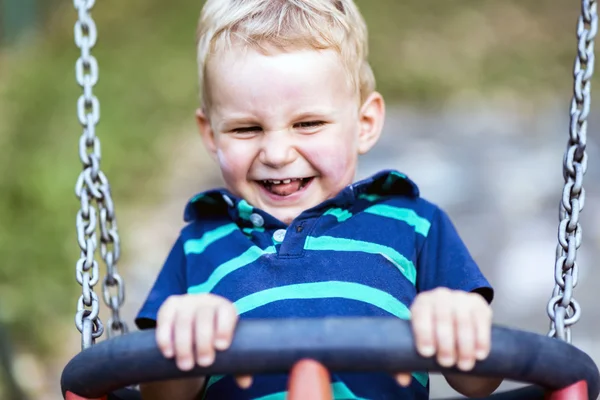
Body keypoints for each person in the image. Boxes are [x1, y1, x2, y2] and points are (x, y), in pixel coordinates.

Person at [136, 0, 501, 398]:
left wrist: (461, 323)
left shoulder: (415, 225)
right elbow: (161, 396)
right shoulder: (198, 245)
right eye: (245, 129)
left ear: (364, 124)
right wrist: (181, 345)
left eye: (308, 123)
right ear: (210, 134)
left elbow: (479, 383)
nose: (276, 154)